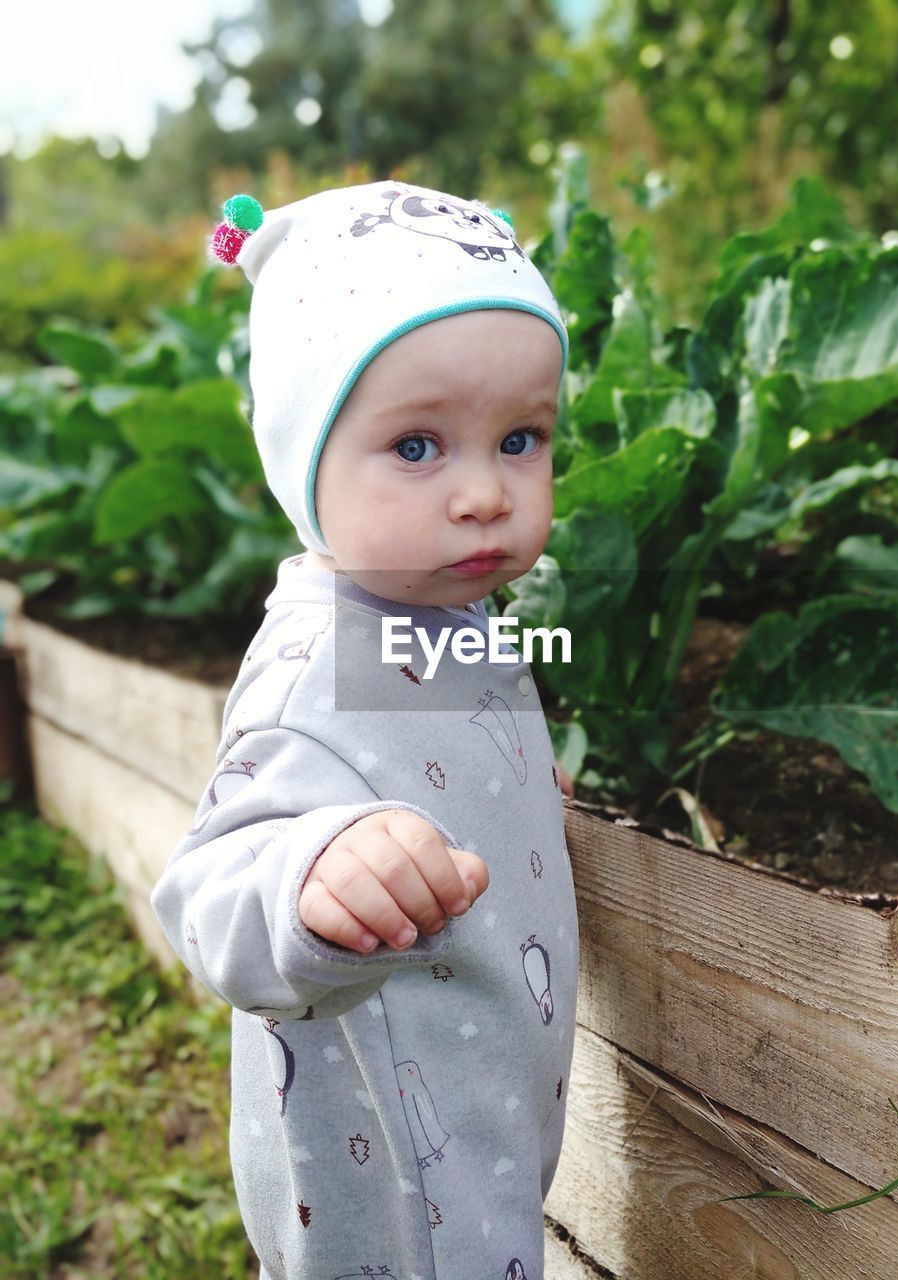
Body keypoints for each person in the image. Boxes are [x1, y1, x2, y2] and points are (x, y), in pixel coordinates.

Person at [150, 180, 580, 1280]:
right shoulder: (311, 673)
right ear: (306, 463)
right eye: (420, 447)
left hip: (483, 1087)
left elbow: (454, 732)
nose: (486, 492)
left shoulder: (436, 606)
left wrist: (518, 777)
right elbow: (207, 890)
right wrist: (311, 872)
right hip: (388, 1166)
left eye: (522, 438)